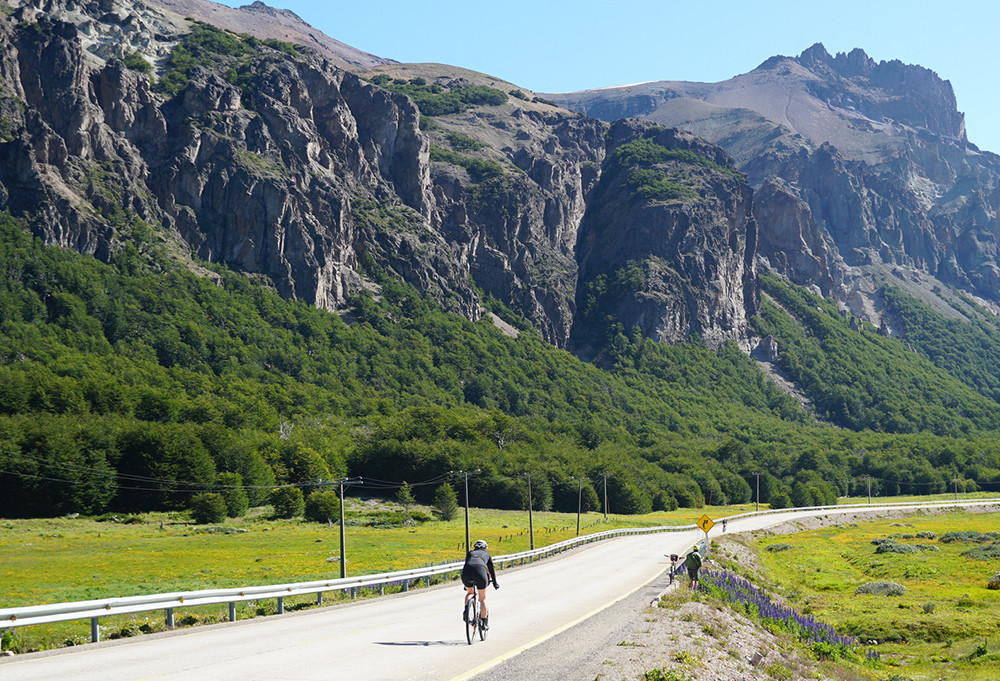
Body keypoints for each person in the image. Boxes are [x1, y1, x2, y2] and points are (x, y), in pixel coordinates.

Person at [462, 539, 499, 628]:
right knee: (482, 599)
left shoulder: (470, 553)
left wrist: (465, 585)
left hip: (466, 573)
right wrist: (495, 583)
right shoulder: (487, 554)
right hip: (480, 573)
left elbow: (467, 565)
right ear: (485, 547)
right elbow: (491, 570)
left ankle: (466, 611)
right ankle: (484, 623)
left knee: (470, 593)